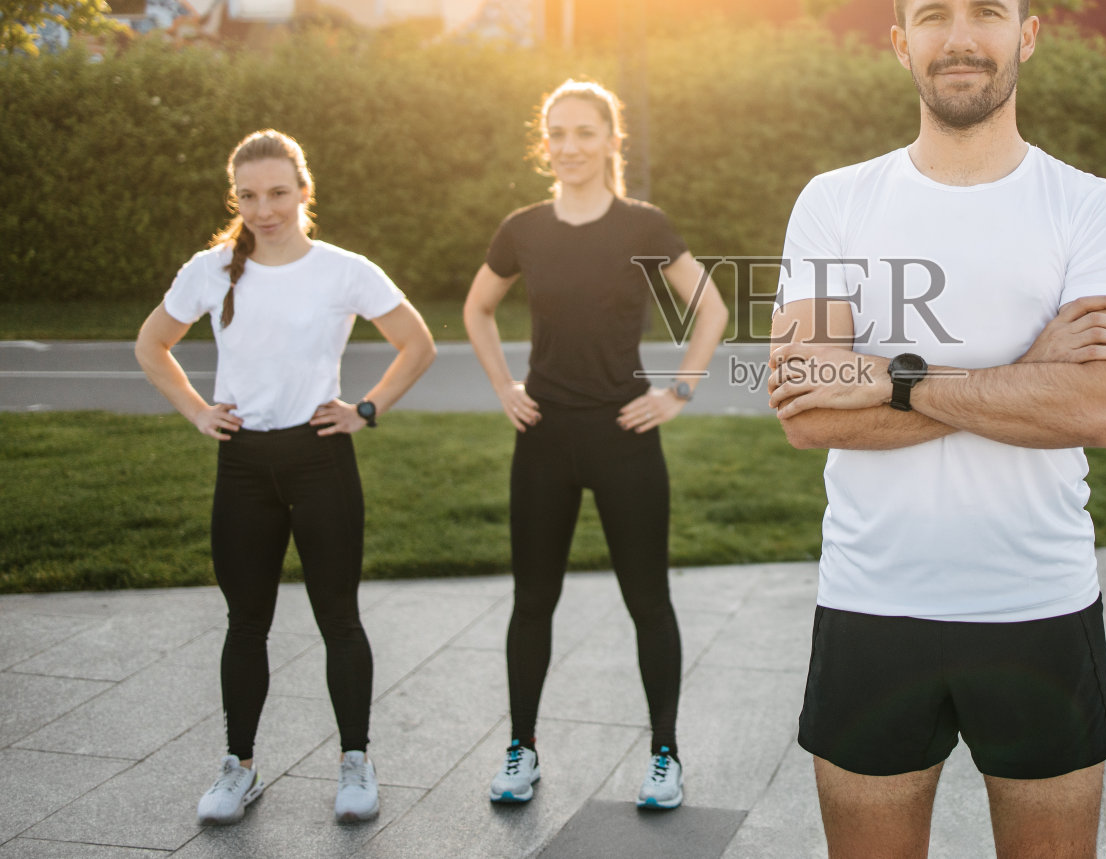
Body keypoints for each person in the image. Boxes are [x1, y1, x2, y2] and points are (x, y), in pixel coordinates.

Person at [767, 0, 1106, 859]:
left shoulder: (1090, 207)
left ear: (1028, 32)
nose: (961, 37)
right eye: (934, 15)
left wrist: (885, 379)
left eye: (987, 10)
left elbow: (1102, 410)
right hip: (871, 601)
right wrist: (1029, 373)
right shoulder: (835, 201)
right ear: (902, 42)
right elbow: (807, 411)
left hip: (1039, 600)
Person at [134, 130, 436, 826]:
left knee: (339, 618)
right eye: (248, 196)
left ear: (303, 191)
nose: (263, 209)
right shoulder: (211, 270)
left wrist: (365, 409)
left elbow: (417, 344)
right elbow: (152, 344)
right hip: (243, 465)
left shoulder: (343, 270)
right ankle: (239, 767)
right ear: (234, 198)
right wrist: (198, 411)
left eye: (276, 193)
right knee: (246, 622)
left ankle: (355, 761)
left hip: (320, 459)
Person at [463, 79, 728, 811]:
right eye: (557, 133)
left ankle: (665, 754)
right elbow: (477, 309)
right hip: (544, 437)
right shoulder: (523, 228)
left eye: (585, 132)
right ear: (544, 143)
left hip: (623, 435)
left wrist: (678, 391)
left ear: (613, 140)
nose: (569, 146)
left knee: (648, 600)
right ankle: (521, 749)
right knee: (532, 602)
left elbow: (710, 308)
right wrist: (503, 386)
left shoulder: (644, 226)